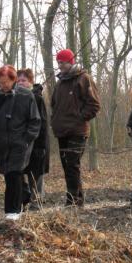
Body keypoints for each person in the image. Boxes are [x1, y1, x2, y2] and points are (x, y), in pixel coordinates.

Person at [0, 65, 40, 220]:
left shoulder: (25, 96)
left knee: (14, 175)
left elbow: (35, 121)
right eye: (0, 83)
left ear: (13, 79)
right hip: (1, 145)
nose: (3, 86)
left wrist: (25, 141)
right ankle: (22, 201)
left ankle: (13, 211)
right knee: (8, 176)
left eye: (6, 82)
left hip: (20, 144)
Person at [51, 49, 100, 207]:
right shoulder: (59, 83)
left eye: (63, 62)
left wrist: (78, 118)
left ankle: (73, 201)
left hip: (77, 131)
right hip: (61, 131)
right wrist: (55, 121)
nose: (60, 65)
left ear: (70, 62)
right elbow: (54, 105)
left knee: (72, 164)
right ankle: (75, 200)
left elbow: (94, 105)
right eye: (58, 62)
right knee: (67, 166)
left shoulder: (83, 78)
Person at [16, 68, 49, 210]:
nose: (20, 83)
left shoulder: (37, 98)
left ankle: (37, 203)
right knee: (22, 174)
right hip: (22, 144)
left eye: (23, 80)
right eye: (18, 81)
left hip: (37, 144)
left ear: (30, 82)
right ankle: (24, 201)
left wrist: (41, 147)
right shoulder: (15, 98)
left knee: (36, 175)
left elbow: (42, 125)